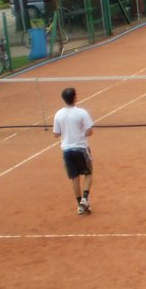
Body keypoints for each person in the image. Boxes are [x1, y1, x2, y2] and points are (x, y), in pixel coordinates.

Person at [52, 87, 95, 215]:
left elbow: (55, 133)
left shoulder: (58, 114)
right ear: (75, 97)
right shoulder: (82, 113)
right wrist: (81, 133)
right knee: (88, 174)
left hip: (66, 150)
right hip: (81, 148)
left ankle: (79, 205)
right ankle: (84, 199)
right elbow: (90, 131)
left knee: (74, 178)